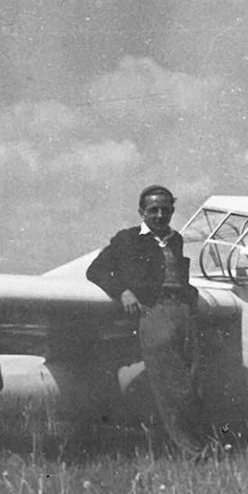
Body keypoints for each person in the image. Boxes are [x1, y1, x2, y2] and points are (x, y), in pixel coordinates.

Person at [86, 185, 206, 458]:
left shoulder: (176, 240)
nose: (160, 215)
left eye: (166, 210)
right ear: (142, 212)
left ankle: (191, 444)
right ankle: (193, 452)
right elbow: (96, 270)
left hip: (183, 311)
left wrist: (190, 295)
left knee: (194, 382)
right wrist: (123, 292)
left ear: (172, 211)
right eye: (153, 210)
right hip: (155, 312)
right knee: (173, 386)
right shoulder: (127, 239)